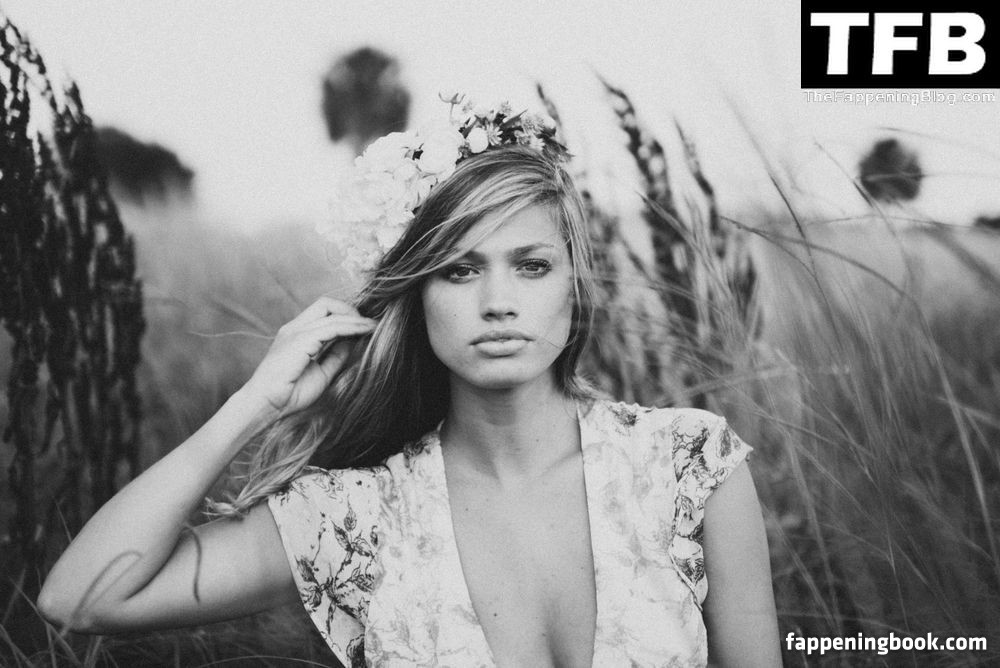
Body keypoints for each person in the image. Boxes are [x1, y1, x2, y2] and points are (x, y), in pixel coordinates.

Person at [38, 96, 780, 667]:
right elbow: (81, 599)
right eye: (459, 270)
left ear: (574, 285)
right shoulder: (358, 516)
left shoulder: (688, 465)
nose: (498, 302)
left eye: (531, 265)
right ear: (415, 292)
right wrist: (254, 404)